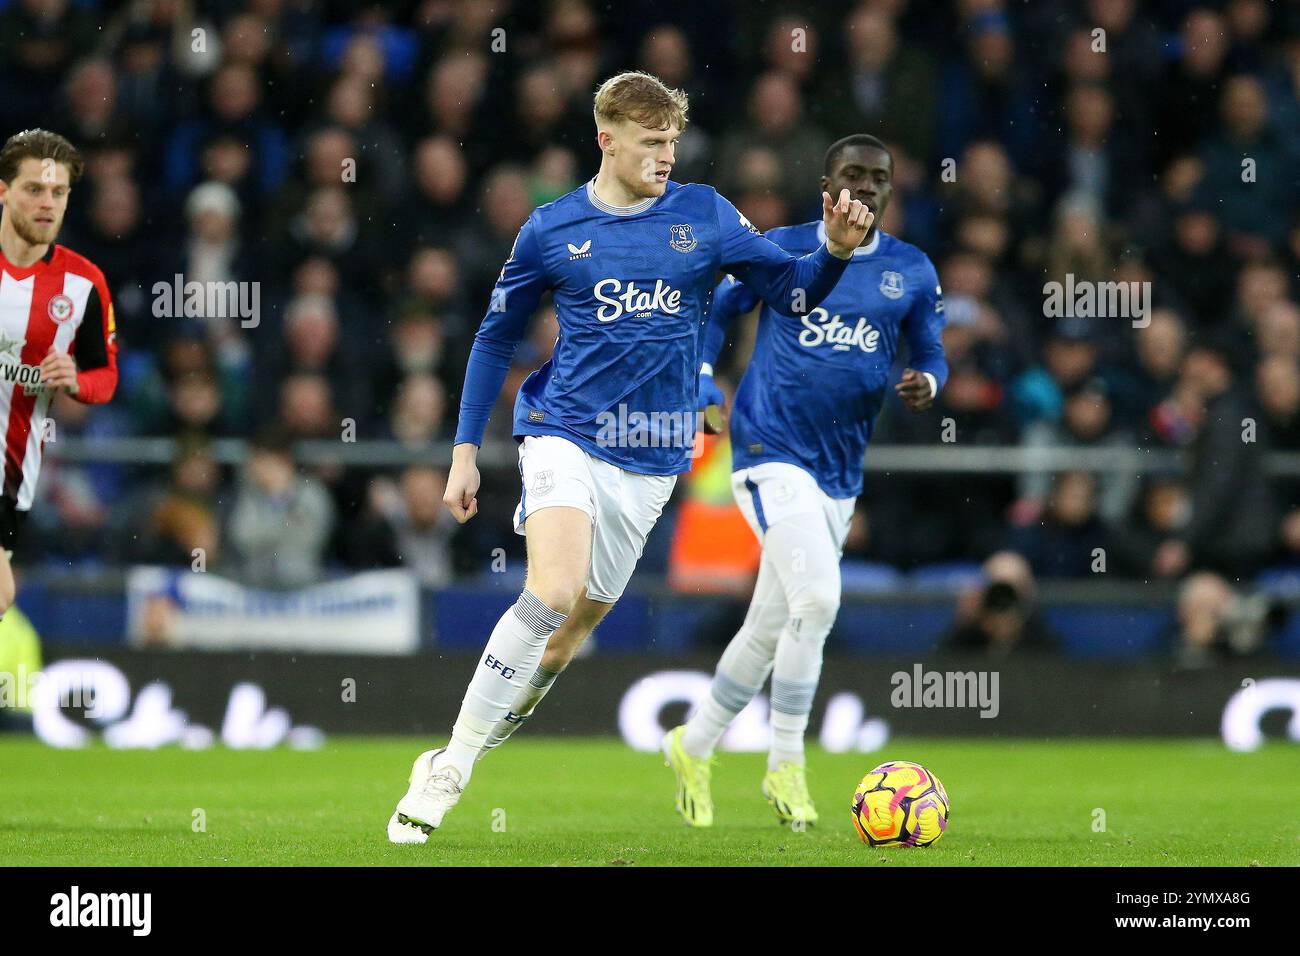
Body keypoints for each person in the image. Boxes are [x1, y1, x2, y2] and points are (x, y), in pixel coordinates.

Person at [387, 71, 874, 843]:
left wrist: (836, 254)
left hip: (651, 457)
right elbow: (493, 337)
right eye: (651, 143)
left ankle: (477, 734)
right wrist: (463, 452)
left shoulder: (705, 214)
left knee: (568, 635)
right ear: (606, 139)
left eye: (673, 142)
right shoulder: (552, 229)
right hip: (563, 429)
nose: (666, 156)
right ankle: (451, 769)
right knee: (552, 588)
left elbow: (790, 293)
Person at [670, 134, 947, 826]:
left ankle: (693, 743)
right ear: (826, 183)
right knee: (818, 598)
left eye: (878, 177)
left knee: (771, 624)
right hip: (767, 448)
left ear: (890, 187)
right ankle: (786, 764)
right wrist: (704, 380)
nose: (865, 186)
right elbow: (717, 309)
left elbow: (932, 348)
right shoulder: (782, 246)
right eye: (851, 174)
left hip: (839, 472)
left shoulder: (911, 270)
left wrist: (929, 381)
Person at [0, 129, 118, 616]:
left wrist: (74, 381)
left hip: (11, 480)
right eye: (34, 189)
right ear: (3, 190)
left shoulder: (84, 284)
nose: (47, 203)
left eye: (59, 192)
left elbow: (105, 377)